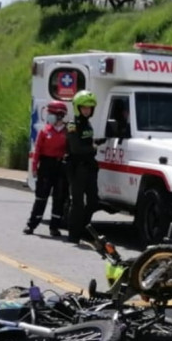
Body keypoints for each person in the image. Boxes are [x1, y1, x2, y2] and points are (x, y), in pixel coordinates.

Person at [24, 101, 68, 237]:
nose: (48, 116)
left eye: (51, 113)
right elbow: (37, 151)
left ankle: (54, 227)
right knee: (41, 197)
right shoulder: (45, 131)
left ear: (60, 116)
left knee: (59, 197)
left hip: (61, 166)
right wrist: (34, 167)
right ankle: (31, 224)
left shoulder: (68, 132)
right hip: (46, 166)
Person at [66, 90, 100, 244]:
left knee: (93, 200)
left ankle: (84, 228)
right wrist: (93, 148)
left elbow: (87, 143)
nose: (87, 110)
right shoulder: (72, 125)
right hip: (77, 167)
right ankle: (74, 234)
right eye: (84, 107)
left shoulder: (87, 123)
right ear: (77, 108)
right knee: (78, 203)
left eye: (89, 108)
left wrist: (97, 143)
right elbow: (75, 148)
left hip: (90, 166)